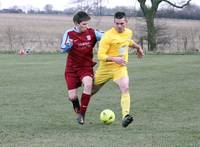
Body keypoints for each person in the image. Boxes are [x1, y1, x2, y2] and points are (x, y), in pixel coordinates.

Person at [92, 12, 144, 128]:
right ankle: (80, 108)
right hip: (105, 69)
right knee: (91, 91)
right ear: (114, 22)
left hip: (120, 68)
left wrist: (138, 47)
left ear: (126, 22)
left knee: (125, 87)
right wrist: (114, 59)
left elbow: (127, 41)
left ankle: (126, 116)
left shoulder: (128, 32)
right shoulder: (108, 36)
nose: (119, 26)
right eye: (117, 23)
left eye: (121, 23)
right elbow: (100, 55)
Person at [60, 11, 102, 125]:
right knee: (72, 96)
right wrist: (69, 45)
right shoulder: (69, 33)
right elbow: (62, 48)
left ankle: (82, 114)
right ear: (76, 23)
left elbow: (106, 37)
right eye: (84, 24)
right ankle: (78, 109)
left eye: (87, 24)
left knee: (88, 84)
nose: (86, 26)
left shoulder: (92, 32)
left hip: (86, 67)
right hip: (72, 68)